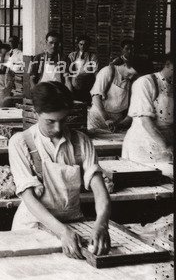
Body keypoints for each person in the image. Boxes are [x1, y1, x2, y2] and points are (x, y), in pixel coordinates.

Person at [8, 81, 111, 259]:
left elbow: (99, 188)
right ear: (35, 113)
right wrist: (62, 232)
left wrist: (102, 222)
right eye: (50, 121)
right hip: (32, 228)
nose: (58, 128)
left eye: (63, 120)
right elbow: (29, 198)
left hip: (73, 226)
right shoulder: (21, 142)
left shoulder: (81, 141)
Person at [122, 53, 173, 164]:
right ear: (168, 64)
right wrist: (168, 147)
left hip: (167, 147)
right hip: (143, 146)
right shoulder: (145, 82)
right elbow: (145, 122)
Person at [87, 59, 138, 132]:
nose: (130, 77)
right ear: (125, 65)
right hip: (99, 116)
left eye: (133, 75)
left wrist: (122, 123)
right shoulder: (107, 71)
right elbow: (96, 98)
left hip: (117, 119)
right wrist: (106, 119)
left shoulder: (132, 80)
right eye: (129, 74)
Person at [66, 36, 99, 102]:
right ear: (78, 44)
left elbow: (96, 72)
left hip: (87, 85)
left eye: (85, 44)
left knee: (86, 104)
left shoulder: (93, 57)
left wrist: (96, 87)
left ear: (89, 45)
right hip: (74, 85)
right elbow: (68, 71)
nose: (83, 46)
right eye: (81, 44)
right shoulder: (72, 55)